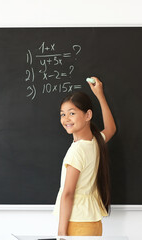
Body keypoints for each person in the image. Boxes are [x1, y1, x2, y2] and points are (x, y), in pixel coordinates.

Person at [53, 76, 116, 236]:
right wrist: (99, 94)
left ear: (88, 115)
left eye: (72, 113)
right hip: (93, 224)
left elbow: (68, 193)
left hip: (76, 224)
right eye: (62, 114)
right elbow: (111, 128)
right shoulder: (95, 142)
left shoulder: (77, 150)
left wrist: (61, 233)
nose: (66, 119)